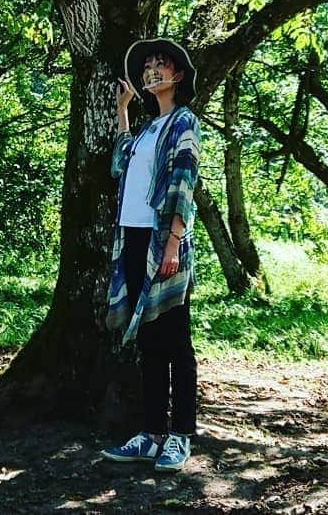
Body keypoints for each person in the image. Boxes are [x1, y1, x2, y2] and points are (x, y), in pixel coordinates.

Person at [101, 37, 200, 474]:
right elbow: (119, 164)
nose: (151, 71)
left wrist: (174, 243)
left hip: (165, 241)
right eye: (147, 67)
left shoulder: (184, 122)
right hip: (136, 240)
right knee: (148, 343)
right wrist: (123, 108)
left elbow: (184, 180)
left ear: (177, 76)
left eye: (161, 66)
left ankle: (180, 435)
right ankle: (151, 433)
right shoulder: (145, 130)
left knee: (175, 339)